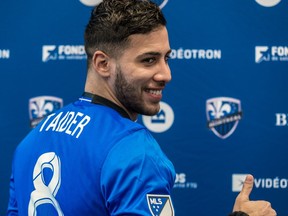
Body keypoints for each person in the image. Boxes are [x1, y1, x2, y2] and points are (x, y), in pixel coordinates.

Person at [7, 0, 277, 215]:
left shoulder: (33, 139)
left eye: (166, 58)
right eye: (149, 60)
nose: (165, 74)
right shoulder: (134, 152)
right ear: (103, 64)